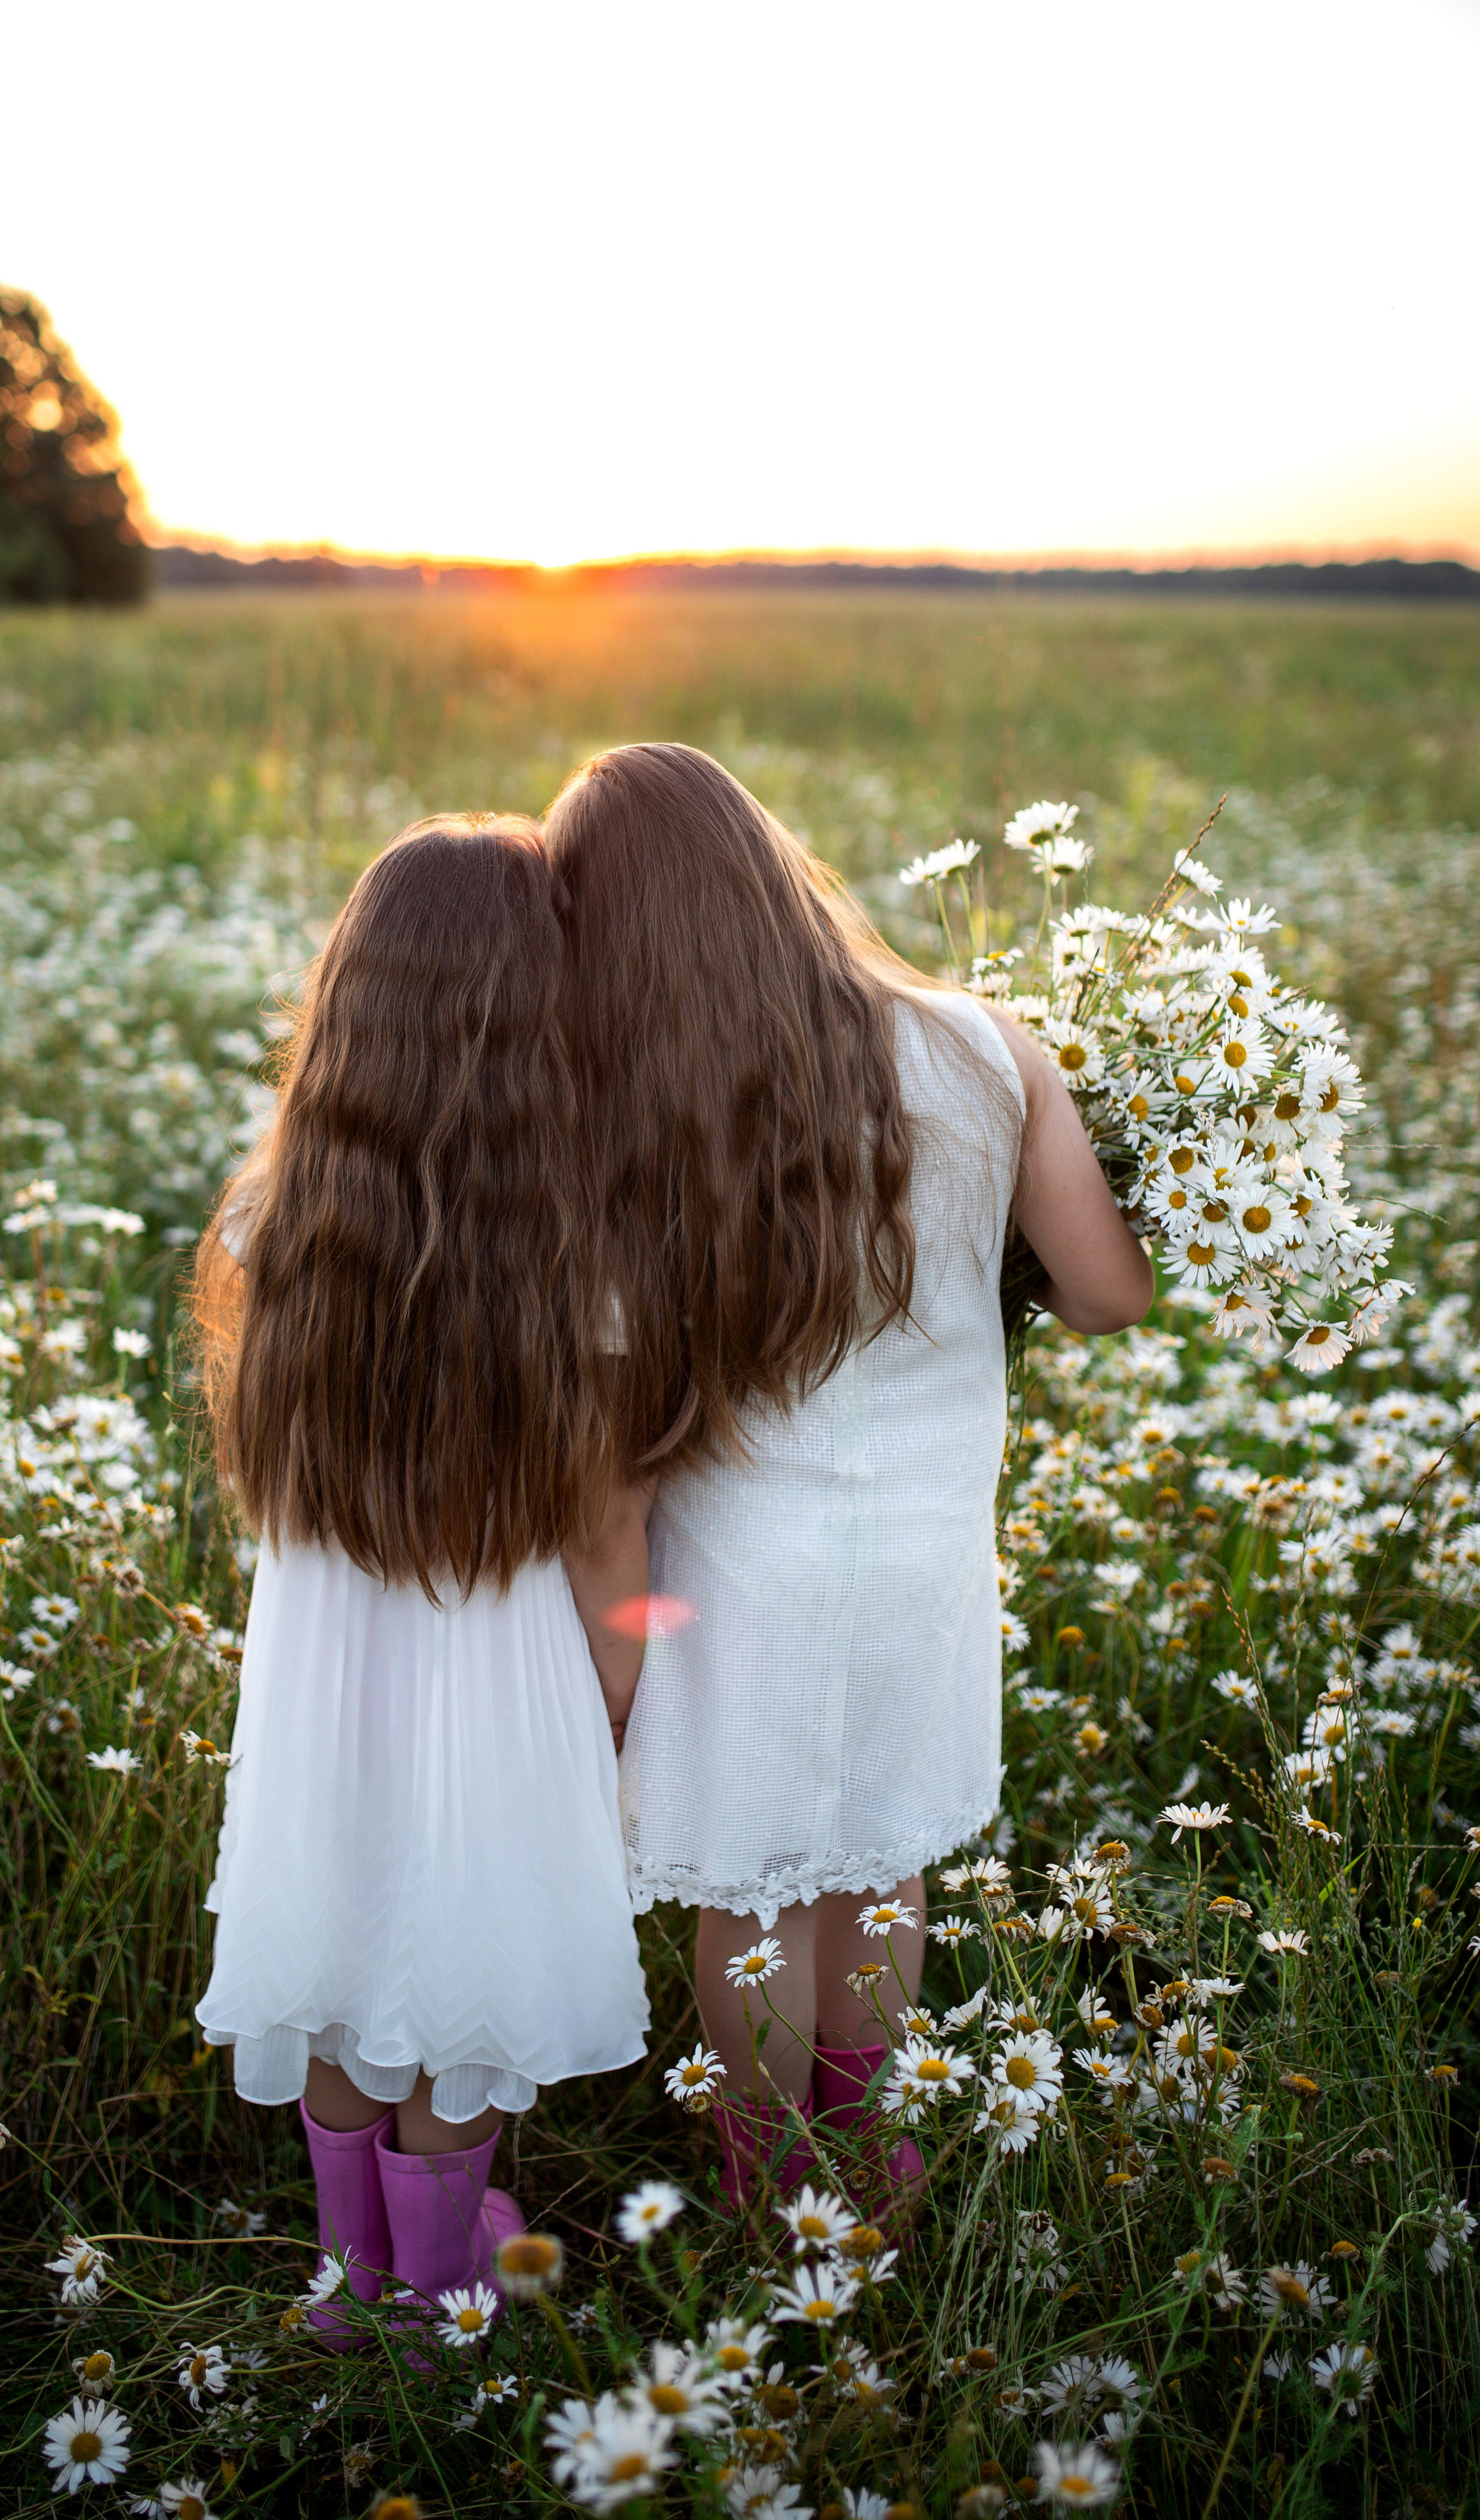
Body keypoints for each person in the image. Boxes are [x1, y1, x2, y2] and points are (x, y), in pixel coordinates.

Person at [543, 743, 1152, 2204]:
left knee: (748, 1893)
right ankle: (872, 2160)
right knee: (879, 1864)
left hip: (735, 1562)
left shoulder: (632, 1107)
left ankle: (769, 2190)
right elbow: (1106, 1295)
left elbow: (618, 1405)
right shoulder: (982, 1046)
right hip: (927, 1548)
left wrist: (605, 1670)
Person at [192, 816, 651, 2334]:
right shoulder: (573, 1241)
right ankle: (441, 2275)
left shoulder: (276, 1214)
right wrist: (625, 1691)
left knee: (334, 1942)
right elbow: (605, 1529)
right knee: (462, 1958)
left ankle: (352, 2273)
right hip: (495, 1658)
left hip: (329, 1658)